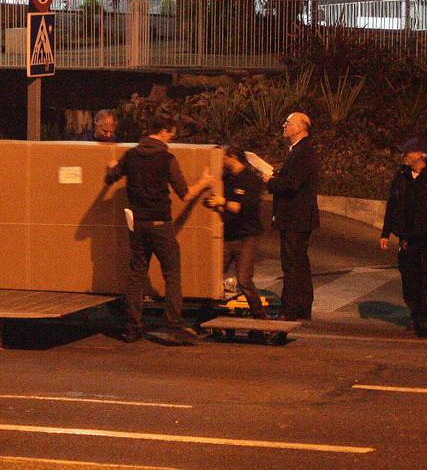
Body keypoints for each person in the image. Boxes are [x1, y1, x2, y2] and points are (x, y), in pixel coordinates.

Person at [104, 107, 213, 344]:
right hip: (160, 225)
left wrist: (112, 167)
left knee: (136, 275)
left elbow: (110, 178)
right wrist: (204, 183)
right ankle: (174, 325)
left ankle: (133, 327)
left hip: (137, 225)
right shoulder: (167, 159)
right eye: (171, 134)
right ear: (163, 131)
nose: (172, 138)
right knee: (172, 275)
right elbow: (184, 194)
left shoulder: (131, 156)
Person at [380, 139, 427, 338]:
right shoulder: (401, 177)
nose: (404, 156)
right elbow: (392, 205)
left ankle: (424, 319)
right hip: (408, 238)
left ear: (419, 154)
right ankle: (415, 313)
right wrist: (385, 233)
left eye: (408, 152)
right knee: (410, 279)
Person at [266, 112, 320, 321]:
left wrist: (270, 181)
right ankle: (302, 306)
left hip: (295, 217)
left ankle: (289, 309)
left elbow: (292, 184)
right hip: (298, 217)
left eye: (288, 123)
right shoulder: (299, 151)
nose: (284, 126)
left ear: (300, 128)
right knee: (299, 262)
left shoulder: (303, 152)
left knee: (292, 264)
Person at [205, 145, 267, 325]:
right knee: (213, 277)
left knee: (244, 279)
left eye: (224, 158)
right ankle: (202, 319)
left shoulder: (251, 180)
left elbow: (242, 208)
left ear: (233, 157)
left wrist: (221, 202)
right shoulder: (226, 178)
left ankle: (260, 317)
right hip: (228, 235)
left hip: (246, 236)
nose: (222, 162)